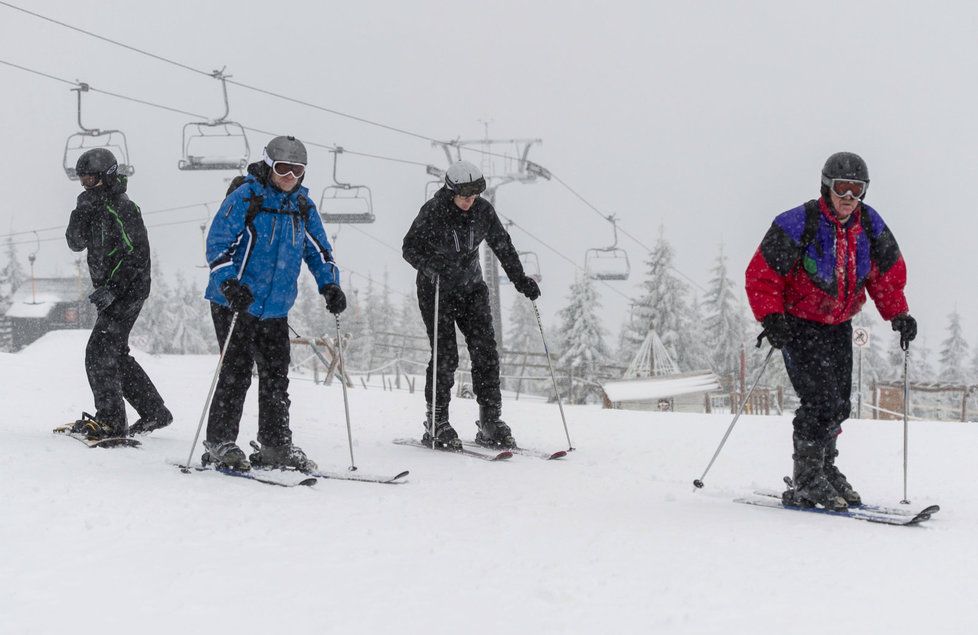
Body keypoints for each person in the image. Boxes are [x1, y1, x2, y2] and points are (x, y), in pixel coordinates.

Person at [745, 151, 917, 510]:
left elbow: (884, 277)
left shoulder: (870, 226)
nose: (849, 198)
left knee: (839, 404)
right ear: (827, 186)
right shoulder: (798, 222)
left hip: (839, 325)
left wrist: (898, 314)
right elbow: (763, 274)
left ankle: (825, 467)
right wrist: (772, 316)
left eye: (858, 190)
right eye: (843, 189)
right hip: (800, 324)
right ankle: (807, 478)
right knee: (819, 400)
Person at [202, 136, 346, 471]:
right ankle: (220, 440)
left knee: (275, 375)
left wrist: (330, 285)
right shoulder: (247, 197)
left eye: (298, 171)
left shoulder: (302, 206)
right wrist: (229, 283)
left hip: (276, 307)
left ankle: (275, 443)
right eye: (283, 169)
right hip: (235, 302)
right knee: (237, 372)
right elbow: (218, 243)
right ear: (268, 166)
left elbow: (319, 250)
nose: (290, 177)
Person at [402, 160, 541, 450]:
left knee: (486, 351)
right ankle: (437, 421)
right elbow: (409, 247)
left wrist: (520, 279)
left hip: (471, 288)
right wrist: (429, 265)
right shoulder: (434, 211)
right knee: (446, 355)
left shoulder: (482, 211)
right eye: (464, 197)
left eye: (474, 197)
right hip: (436, 288)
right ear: (451, 191)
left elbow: (502, 244)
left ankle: (490, 420)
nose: (469, 202)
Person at [65, 148, 172, 439]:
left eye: (91, 180)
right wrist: (81, 209)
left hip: (129, 290)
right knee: (113, 353)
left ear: (107, 177)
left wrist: (113, 288)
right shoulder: (91, 205)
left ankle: (111, 421)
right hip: (111, 290)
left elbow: (137, 254)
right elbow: (75, 243)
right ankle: (154, 411)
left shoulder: (122, 207)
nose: (86, 185)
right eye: (82, 180)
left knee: (98, 353)